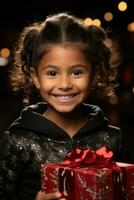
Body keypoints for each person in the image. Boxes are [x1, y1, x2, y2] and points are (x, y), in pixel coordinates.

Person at [0, 12, 125, 200]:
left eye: (76, 72)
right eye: (52, 73)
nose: (65, 84)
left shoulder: (113, 139)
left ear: (95, 74)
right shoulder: (18, 142)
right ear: (35, 77)